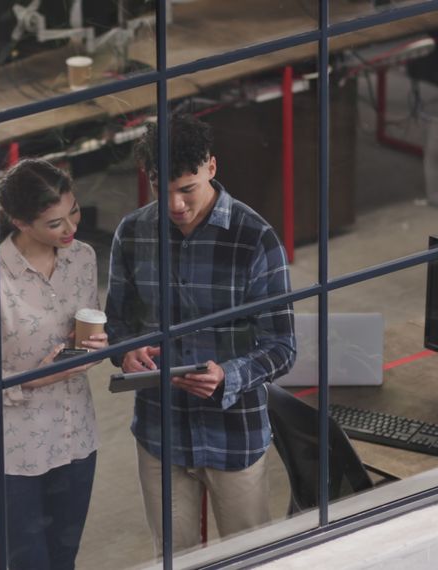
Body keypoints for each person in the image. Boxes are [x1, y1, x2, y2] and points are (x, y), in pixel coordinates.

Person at [104, 113, 297, 554]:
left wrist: (229, 375)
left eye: (186, 189)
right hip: (160, 431)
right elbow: (117, 321)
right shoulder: (132, 234)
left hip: (233, 432)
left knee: (251, 558)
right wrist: (126, 351)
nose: (174, 204)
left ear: (211, 167)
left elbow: (283, 347)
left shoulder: (255, 240)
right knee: (172, 560)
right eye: (161, 188)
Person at [0, 158, 108, 570]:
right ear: (21, 222)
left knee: (64, 560)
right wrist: (35, 379)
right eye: (55, 223)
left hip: (75, 436)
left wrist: (94, 347)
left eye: (73, 211)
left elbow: (85, 326)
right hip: (14, 449)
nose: (71, 228)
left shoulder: (83, 259)